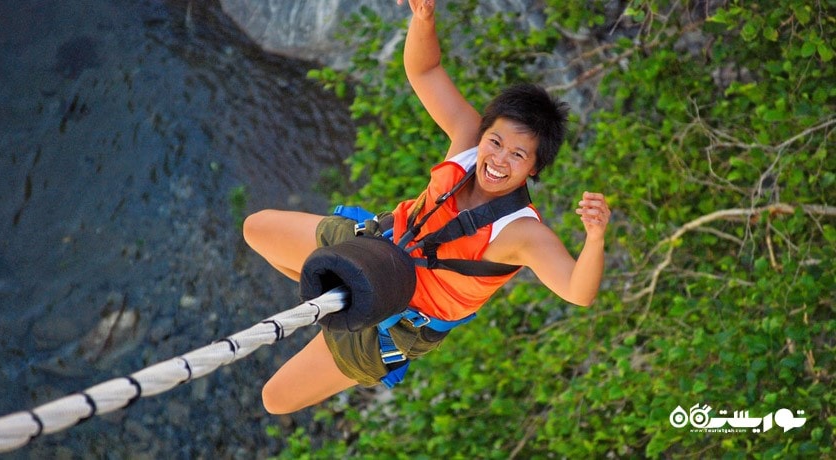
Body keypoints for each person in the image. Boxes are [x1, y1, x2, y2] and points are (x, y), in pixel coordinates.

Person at [243, 0, 610, 415]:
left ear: (534, 169)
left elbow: (579, 293)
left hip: (398, 316)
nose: (498, 160)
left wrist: (595, 238)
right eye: (496, 142)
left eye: (518, 156)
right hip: (374, 246)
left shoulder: (522, 234)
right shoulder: (468, 143)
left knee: (274, 400)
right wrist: (424, 18)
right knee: (256, 228)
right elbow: (425, 71)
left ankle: (343, 311)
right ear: (483, 132)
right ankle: (333, 303)